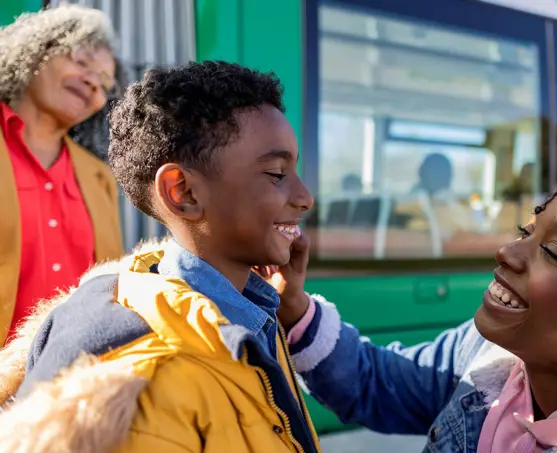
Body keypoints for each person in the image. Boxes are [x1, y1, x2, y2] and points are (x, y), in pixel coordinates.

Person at [272, 122, 557, 452]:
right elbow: (374, 382)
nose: (508, 252)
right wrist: (294, 306)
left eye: (554, 252)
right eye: (527, 230)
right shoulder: (489, 359)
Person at [0, 61, 319, 453]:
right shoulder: (148, 383)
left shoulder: (257, 315)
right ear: (181, 191)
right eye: (275, 173)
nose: (305, 197)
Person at [0, 4, 124, 345]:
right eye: (81, 61)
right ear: (35, 50)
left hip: (69, 380)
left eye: (104, 83)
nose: (90, 82)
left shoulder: (100, 177)